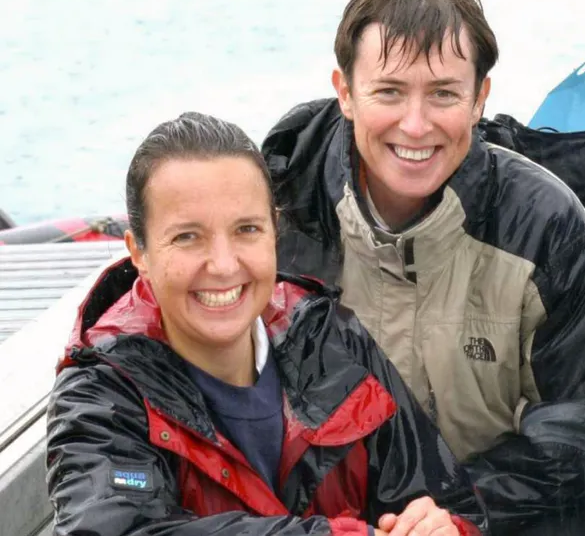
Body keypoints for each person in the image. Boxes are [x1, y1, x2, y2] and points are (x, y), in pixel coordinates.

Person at [261, 0, 585, 536]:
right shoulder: (279, 215)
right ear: (345, 92)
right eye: (389, 91)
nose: (415, 126)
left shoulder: (545, 224)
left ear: (479, 97)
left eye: (443, 93)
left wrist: (464, 512)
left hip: (512, 512)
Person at [46, 113, 487, 536]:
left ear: (275, 231)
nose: (222, 265)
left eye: (247, 230)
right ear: (138, 252)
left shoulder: (327, 338)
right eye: (187, 236)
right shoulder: (102, 395)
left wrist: (442, 526)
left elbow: (453, 505)